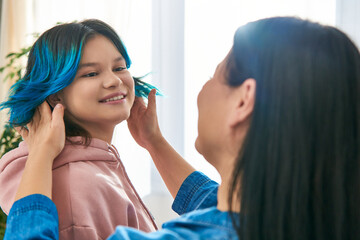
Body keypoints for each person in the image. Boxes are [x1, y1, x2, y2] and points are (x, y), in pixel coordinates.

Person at [4, 16, 360, 240]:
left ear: (242, 101)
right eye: (91, 73)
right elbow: (223, 206)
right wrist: (155, 144)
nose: (114, 81)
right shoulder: (315, 217)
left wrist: (40, 157)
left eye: (214, 76)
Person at [0, 19, 161, 239]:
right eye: (91, 74)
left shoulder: (97, 165)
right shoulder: (77, 185)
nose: (114, 81)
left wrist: (154, 142)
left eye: (119, 67)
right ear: (56, 94)